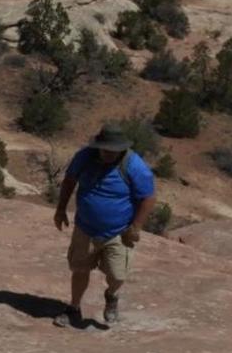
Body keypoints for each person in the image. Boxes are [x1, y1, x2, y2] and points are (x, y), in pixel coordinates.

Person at [53, 123, 155, 326]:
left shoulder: (134, 165)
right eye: (105, 149)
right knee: (79, 269)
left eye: (113, 150)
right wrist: (61, 208)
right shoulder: (85, 157)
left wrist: (136, 227)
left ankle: (111, 296)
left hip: (118, 232)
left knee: (117, 274)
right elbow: (70, 180)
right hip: (85, 228)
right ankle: (74, 308)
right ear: (98, 145)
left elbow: (148, 198)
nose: (108, 154)